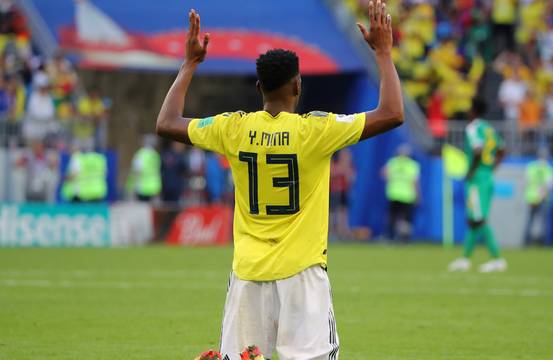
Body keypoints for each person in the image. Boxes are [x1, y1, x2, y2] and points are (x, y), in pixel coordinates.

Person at [155, 4, 403, 359]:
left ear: (259, 87)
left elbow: (167, 122)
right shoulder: (316, 131)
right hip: (302, 276)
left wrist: (189, 64)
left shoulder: (232, 128)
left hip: (248, 277)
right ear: (298, 84)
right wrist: (383, 53)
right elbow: (393, 112)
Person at [448, 98, 507, 273]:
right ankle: (465, 259)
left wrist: (471, 172)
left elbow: (477, 149)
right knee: (474, 219)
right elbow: (502, 150)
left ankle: (497, 258)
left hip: (477, 177)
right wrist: (491, 168)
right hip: (487, 175)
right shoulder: (489, 128)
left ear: (473, 111)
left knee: (479, 219)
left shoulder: (473, 127)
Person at [383, 144, 420, 242]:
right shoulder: (412, 164)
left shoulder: (393, 162)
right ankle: (404, 239)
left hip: (394, 194)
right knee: (405, 219)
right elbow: (415, 182)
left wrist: (391, 180)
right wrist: (418, 195)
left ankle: (391, 237)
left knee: (393, 218)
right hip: (407, 195)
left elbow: (384, 174)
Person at [523, 148, 553, 246]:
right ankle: (545, 244)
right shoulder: (549, 168)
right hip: (545, 198)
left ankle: (526, 243)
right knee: (545, 223)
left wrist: (535, 195)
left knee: (530, 221)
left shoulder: (531, 167)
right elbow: (551, 184)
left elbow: (527, 181)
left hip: (532, 197)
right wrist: (541, 195)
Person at [329, 149, 355, 239]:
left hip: (343, 190)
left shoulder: (349, 165)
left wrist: (347, 172)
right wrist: (342, 170)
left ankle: (343, 232)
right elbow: (332, 173)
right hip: (333, 190)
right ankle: (331, 232)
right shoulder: (333, 162)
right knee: (332, 212)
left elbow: (351, 176)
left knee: (343, 212)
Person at [131, 135, 162, 202]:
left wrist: (134, 186)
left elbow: (137, 171)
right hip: (154, 187)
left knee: (143, 210)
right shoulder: (156, 155)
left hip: (142, 187)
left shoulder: (140, 154)